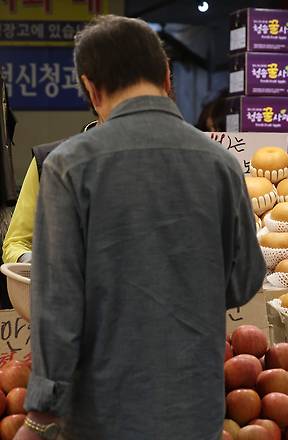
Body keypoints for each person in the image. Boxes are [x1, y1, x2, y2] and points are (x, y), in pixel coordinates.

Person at [16, 15, 264, 440]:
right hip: (196, 407)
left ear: (91, 87)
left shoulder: (69, 166)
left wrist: (41, 415)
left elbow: (58, 305)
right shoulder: (220, 163)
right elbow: (244, 280)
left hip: (103, 413)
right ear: (167, 76)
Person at [2, 120, 96, 265]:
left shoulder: (141, 161)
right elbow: (17, 243)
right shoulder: (50, 161)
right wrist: (32, 262)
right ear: (97, 98)